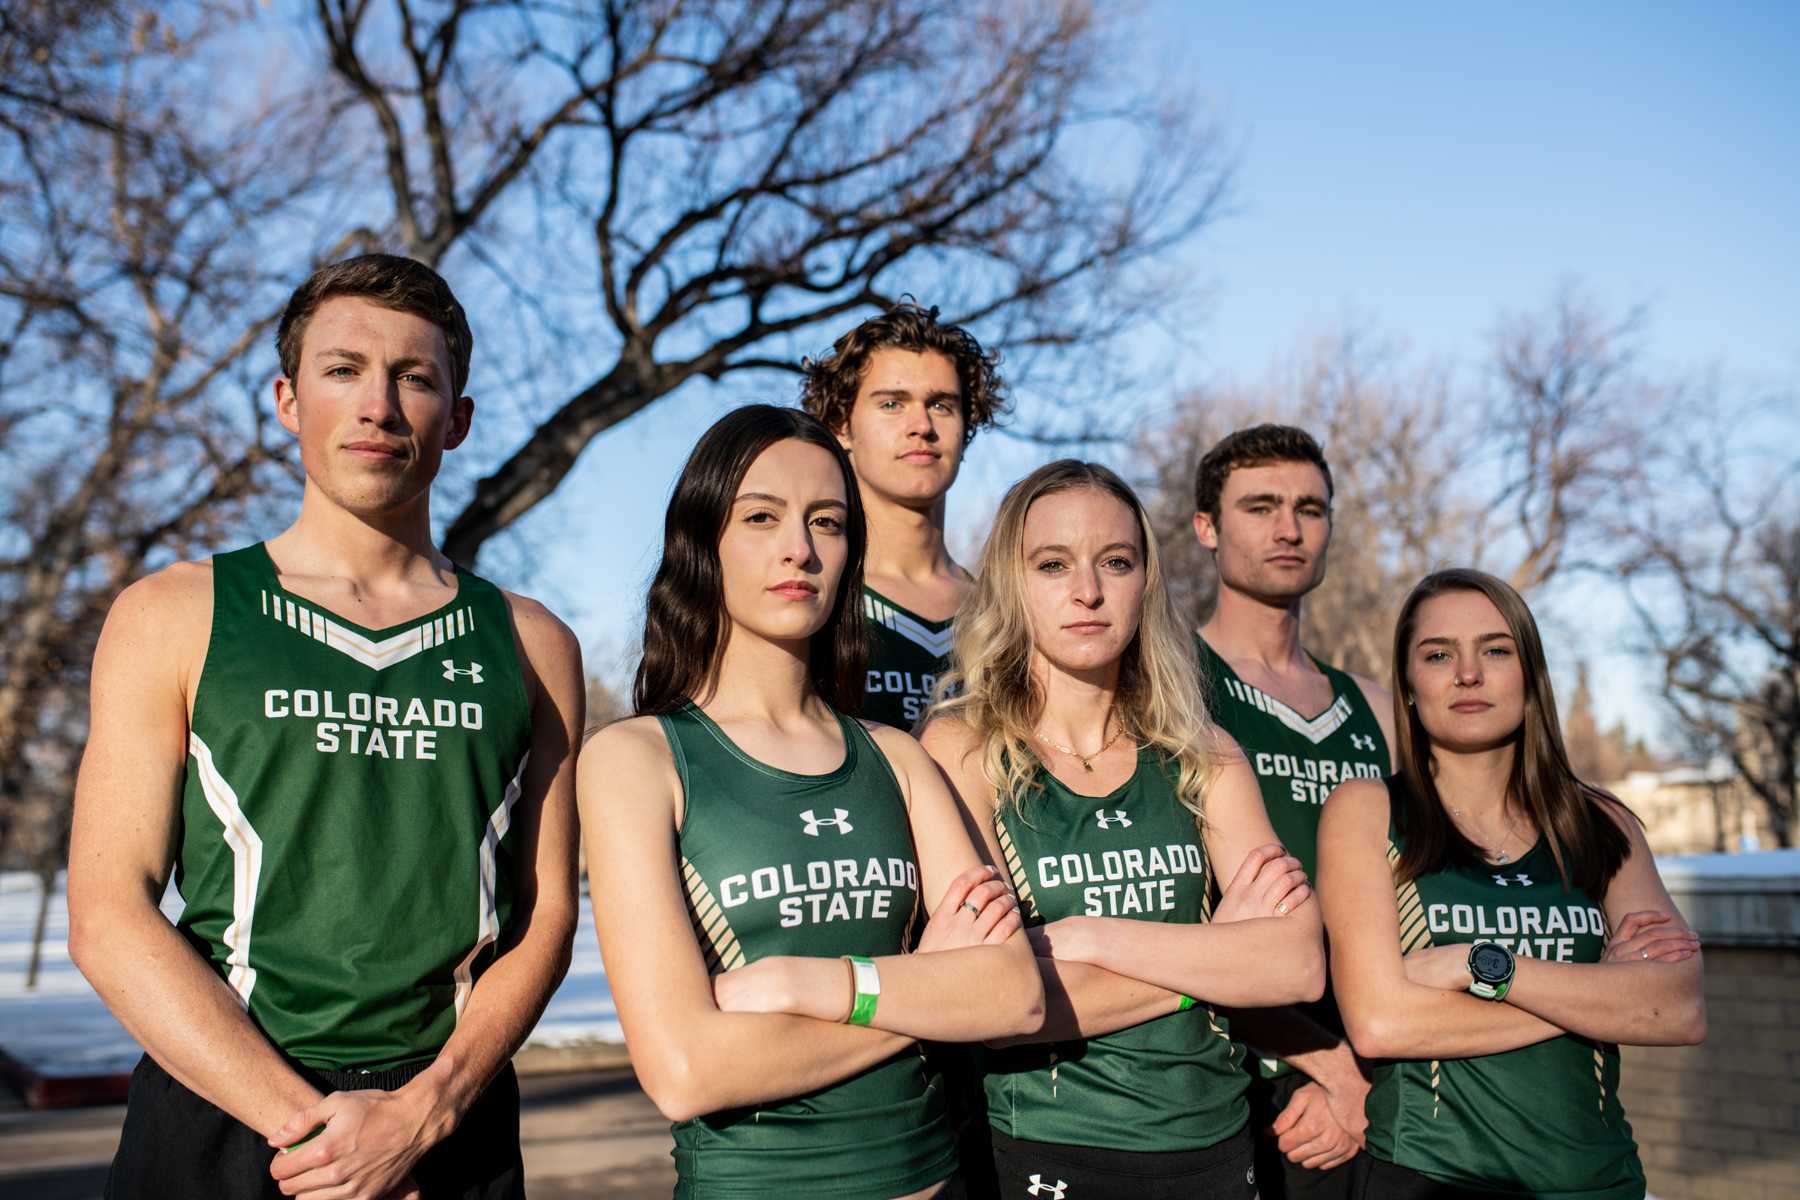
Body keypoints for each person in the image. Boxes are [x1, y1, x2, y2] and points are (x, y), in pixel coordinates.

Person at [68, 254, 585, 1199]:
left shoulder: (532, 642)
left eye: (415, 378)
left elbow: (547, 913)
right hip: (220, 1109)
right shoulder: (175, 613)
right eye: (343, 370)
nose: (378, 406)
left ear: (458, 418)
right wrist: (317, 1136)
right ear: (287, 401)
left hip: (446, 1127)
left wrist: (423, 1114)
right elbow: (108, 916)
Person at [579, 403, 1043, 1199]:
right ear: (703, 543)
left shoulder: (897, 756)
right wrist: (923, 984)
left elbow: (1013, 995)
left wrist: (812, 986)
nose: (799, 548)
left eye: (826, 522)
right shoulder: (637, 760)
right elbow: (687, 1071)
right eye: (762, 517)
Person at [922, 459, 1326, 1199]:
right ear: (1013, 584)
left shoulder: (1204, 753)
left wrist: (1092, 940)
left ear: (1146, 580)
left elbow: (1295, 966)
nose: (1087, 591)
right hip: (1052, 1146)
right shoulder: (962, 750)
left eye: (1116, 561)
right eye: (1053, 565)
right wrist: (1212, 964)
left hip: (1215, 1139)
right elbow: (993, 1005)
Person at [1318, 568, 1706, 1199]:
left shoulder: (1601, 821)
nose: (1467, 674)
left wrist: (1477, 965)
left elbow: (1678, 1009)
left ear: (1530, 675)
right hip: (1430, 1180)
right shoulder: (1366, 810)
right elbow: (1380, 1021)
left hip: (1601, 1182)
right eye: (1438, 655)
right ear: (1409, 685)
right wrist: (1606, 993)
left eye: (1495, 650)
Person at [1189, 424, 1395, 1198]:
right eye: (1261, 506)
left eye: (1310, 508)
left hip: (1380, 1064)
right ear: (1207, 527)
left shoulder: (1374, 707)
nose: (1289, 528)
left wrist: (1367, 1078)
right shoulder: (1173, 687)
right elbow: (1174, 914)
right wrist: (1330, 1072)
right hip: (1243, 1068)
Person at [800, 302, 1007, 731]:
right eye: (892, 403)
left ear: (967, 428)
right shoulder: (807, 593)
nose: (921, 425)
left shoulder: (1007, 613)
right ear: (841, 424)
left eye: (942, 405)